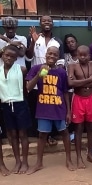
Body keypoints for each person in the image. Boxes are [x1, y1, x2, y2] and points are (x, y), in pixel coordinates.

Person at [26, 46, 75, 174]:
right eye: (50, 54)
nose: (52, 56)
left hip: (59, 108)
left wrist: (68, 111)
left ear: (58, 57)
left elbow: (65, 92)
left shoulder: (61, 72)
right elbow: (28, 87)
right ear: (45, 54)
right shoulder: (36, 68)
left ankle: (68, 160)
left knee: (64, 133)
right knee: (42, 135)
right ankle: (39, 163)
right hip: (44, 109)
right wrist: (39, 74)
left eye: (55, 54)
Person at [26, 15, 65, 144]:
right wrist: (32, 41)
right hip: (37, 80)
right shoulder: (35, 38)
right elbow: (29, 57)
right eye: (44, 21)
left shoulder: (57, 41)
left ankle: (52, 136)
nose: (47, 22)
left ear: (52, 24)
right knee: (39, 109)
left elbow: (61, 61)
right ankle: (41, 135)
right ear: (40, 23)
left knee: (52, 106)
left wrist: (56, 75)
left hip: (52, 81)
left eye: (49, 21)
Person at [68, 45, 92, 168]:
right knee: (79, 129)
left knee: (90, 127)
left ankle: (90, 154)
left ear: (89, 55)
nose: (82, 57)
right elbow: (71, 83)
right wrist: (89, 80)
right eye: (80, 55)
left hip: (91, 99)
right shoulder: (72, 66)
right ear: (77, 55)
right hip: (78, 100)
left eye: (85, 55)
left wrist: (80, 82)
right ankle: (78, 157)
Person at [0, 45, 31, 174]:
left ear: (16, 58)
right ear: (2, 55)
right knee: (12, 135)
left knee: (23, 134)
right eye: (7, 55)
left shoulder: (21, 69)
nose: (9, 58)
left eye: (12, 56)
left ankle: (25, 162)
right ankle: (17, 161)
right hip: (5, 105)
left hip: (20, 104)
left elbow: (25, 88)